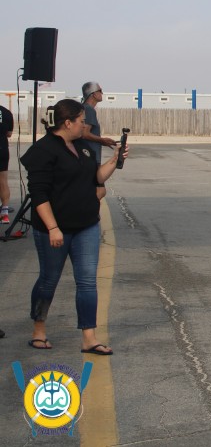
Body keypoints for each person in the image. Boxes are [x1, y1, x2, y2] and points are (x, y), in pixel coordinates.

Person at [20, 98, 127, 355]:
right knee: (49, 279)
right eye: (81, 121)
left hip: (86, 225)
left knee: (87, 281)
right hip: (54, 229)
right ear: (67, 123)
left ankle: (89, 337)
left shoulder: (82, 146)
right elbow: (39, 195)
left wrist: (114, 160)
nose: (85, 125)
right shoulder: (43, 151)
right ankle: (38, 329)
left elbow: (95, 177)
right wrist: (53, 228)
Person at [80, 82, 117, 202]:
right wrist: (102, 140)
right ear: (93, 94)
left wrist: (103, 141)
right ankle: (85, 210)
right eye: (100, 91)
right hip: (90, 158)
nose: (102, 93)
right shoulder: (89, 109)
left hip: (88, 157)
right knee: (100, 191)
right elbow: (85, 133)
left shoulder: (84, 108)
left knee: (97, 190)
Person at [1, 102, 13, 227]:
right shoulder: (6, 112)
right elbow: (9, 134)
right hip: (2, 149)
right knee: (3, 181)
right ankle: (4, 213)